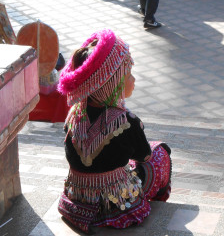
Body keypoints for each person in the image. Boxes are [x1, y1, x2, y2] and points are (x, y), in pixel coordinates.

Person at [57, 29, 172, 233]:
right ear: (110, 84)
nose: (133, 80)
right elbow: (144, 155)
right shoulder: (126, 121)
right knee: (160, 154)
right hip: (115, 204)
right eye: (127, 75)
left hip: (76, 202)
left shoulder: (74, 115)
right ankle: (157, 202)